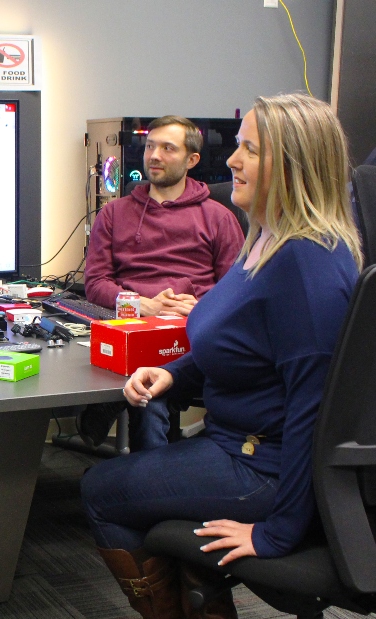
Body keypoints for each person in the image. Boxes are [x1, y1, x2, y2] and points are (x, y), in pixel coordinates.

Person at [80, 93, 362, 619]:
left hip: (265, 469)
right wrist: (173, 373)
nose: (231, 162)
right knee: (144, 497)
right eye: (237, 146)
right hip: (238, 445)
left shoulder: (305, 263)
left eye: (250, 151)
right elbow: (235, 338)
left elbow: (314, 408)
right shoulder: (268, 240)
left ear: (294, 166)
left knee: (101, 489)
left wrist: (277, 532)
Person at [79, 116, 246, 450]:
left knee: (149, 390)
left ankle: (145, 478)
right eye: (150, 146)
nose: (153, 155)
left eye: (168, 148)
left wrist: (202, 306)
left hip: (190, 332)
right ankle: (146, 478)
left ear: (192, 159)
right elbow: (95, 283)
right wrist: (140, 304)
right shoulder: (114, 215)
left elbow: (237, 292)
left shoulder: (218, 217)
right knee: (143, 385)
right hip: (133, 326)